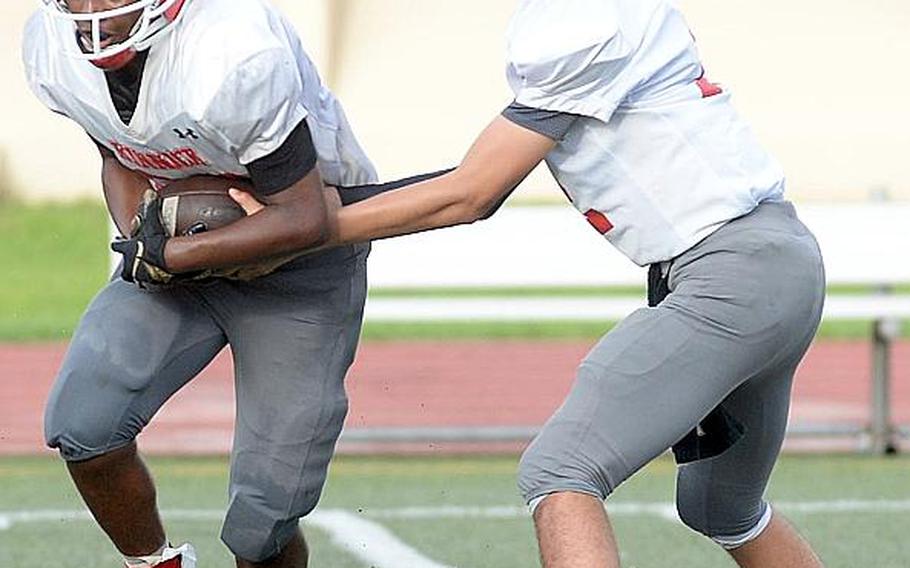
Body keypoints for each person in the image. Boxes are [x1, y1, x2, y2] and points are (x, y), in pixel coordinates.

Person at [234, 0, 828, 566]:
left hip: (730, 277)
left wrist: (298, 227)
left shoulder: (578, 22)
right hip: (777, 266)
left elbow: (472, 193)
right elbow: (469, 179)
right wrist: (315, 212)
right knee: (721, 507)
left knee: (562, 470)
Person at [22, 0, 416, 566]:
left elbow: (304, 217)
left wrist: (174, 252)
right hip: (183, 253)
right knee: (83, 425)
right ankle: (156, 562)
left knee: (263, 520)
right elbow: (121, 153)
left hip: (302, 267)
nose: (90, 13)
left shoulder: (233, 51)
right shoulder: (52, 44)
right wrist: (144, 238)